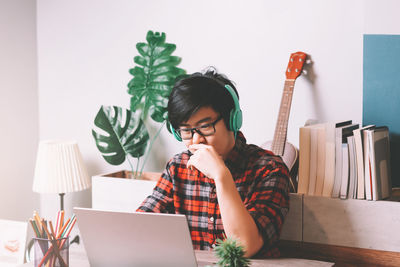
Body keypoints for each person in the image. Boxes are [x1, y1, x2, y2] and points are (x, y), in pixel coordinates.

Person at [137, 68, 290, 258]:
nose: (196, 140)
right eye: (186, 131)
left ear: (233, 120)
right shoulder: (177, 167)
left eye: (205, 127)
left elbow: (245, 247)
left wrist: (220, 175)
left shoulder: (269, 169)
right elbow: (140, 226)